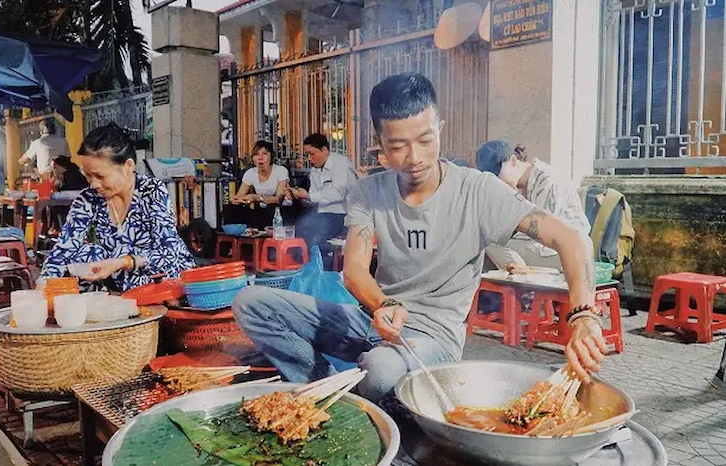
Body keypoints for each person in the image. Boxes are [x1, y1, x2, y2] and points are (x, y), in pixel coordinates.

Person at [232, 73, 606, 402]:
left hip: (431, 340)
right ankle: (331, 391)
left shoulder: (479, 191)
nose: (414, 157)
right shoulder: (368, 191)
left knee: (378, 370)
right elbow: (354, 271)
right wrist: (380, 306)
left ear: (439, 128)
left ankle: (357, 394)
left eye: (426, 140)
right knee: (251, 301)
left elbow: (570, 239)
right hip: (372, 319)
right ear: (379, 142)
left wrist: (583, 316)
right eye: (397, 146)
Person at [41, 123, 195, 291]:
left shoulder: (151, 191)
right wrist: (43, 285)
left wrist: (124, 262)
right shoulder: (88, 199)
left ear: (128, 166)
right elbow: (64, 250)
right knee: (87, 254)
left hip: (159, 277)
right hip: (117, 282)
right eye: (87, 176)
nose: (94, 184)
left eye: (100, 176)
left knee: (125, 260)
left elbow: (169, 253)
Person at [476, 140, 592, 270]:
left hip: (566, 251)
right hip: (546, 247)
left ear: (513, 161)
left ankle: (521, 275)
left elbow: (541, 230)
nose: (497, 182)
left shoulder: (547, 180)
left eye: (498, 175)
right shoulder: (522, 183)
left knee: (490, 240)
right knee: (487, 235)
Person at [288, 133, 357, 248]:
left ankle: (318, 259)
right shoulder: (315, 170)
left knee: (313, 233)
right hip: (322, 215)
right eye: (307, 155)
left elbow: (339, 193)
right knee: (298, 227)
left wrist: (309, 196)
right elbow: (314, 200)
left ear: (324, 150)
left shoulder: (340, 163)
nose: (309, 159)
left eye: (312, 154)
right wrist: (299, 196)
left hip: (342, 214)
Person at [232, 141, 289, 206]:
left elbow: (279, 199)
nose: (260, 158)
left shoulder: (281, 170)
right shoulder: (250, 173)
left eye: (264, 154)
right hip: (261, 210)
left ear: (271, 157)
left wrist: (256, 197)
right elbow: (239, 196)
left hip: (280, 210)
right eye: (256, 154)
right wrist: (238, 200)